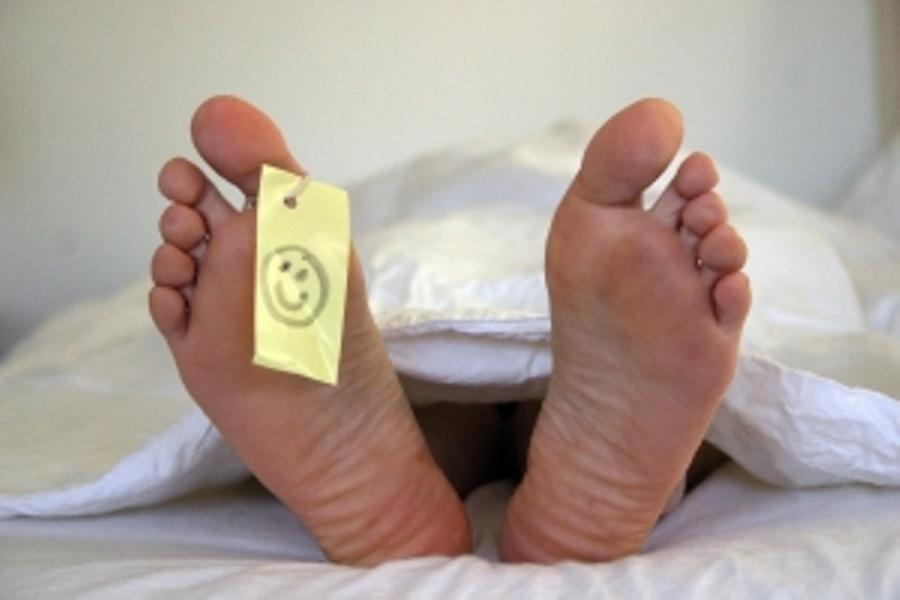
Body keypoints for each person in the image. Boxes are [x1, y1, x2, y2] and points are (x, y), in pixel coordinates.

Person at [149, 95, 750, 565]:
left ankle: (398, 475)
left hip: (419, 361)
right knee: (697, 413)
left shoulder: (411, 188)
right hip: (590, 364)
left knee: (444, 412)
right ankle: (598, 471)